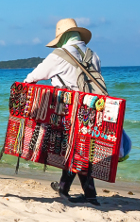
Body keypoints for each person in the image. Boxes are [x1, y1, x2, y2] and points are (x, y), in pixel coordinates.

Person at [23, 18, 102, 206]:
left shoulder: (59, 55)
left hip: (70, 109)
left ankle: (77, 192)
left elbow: (35, 75)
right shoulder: (93, 55)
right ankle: (78, 191)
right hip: (93, 109)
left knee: (73, 150)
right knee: (81, 149)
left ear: (63, 36)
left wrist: (26, 86)